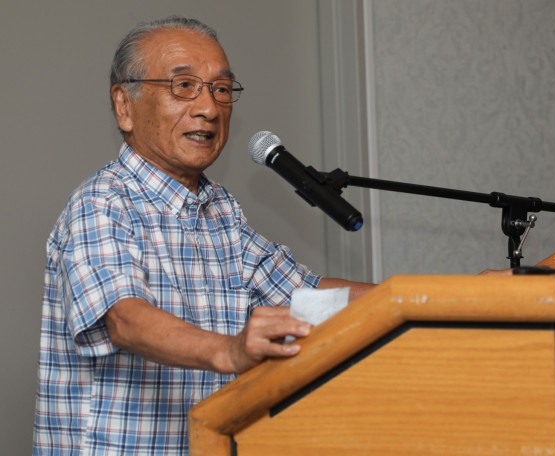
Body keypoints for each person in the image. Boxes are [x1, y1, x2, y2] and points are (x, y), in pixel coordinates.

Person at [33, 16, 373, 455]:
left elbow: (307, 295)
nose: (209, 108)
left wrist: (441, 295)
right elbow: (123, 318)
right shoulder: (102, 202)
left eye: (221, 89)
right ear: (124, 105)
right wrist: (229, 351)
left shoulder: (221, 212)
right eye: (183, 86)